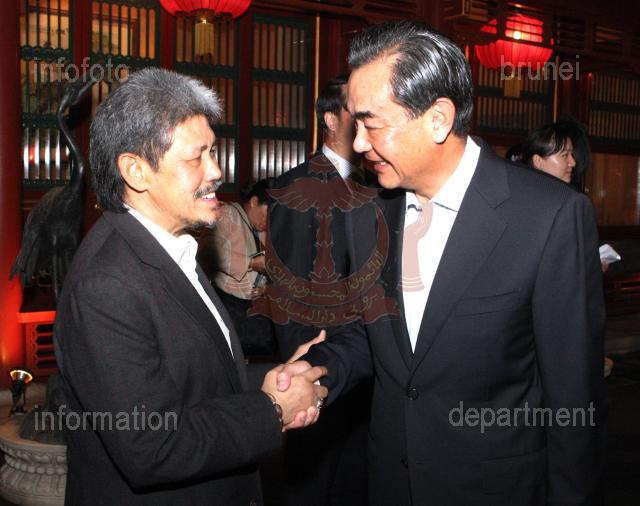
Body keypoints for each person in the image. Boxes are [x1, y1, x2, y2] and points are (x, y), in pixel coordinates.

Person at [279, 20, 606, 506]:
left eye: (371, 124)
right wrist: (316, 373)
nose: (360, 143)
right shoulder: (367, 214)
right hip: (390, 483)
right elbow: (372, 337)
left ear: (438, 119)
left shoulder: (548, 217)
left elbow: (573, 397)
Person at [53, 67, 327, 505]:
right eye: (196, 157)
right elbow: (152, 445)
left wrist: (273, 379)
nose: (216, 170)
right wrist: (272, 409)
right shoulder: (107, 284)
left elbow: (197, 376)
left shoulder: (171, 247)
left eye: (213, 152)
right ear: (136, 171)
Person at [266, 74, 372, 506]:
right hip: (319, 369)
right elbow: (287, 293)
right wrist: (306, 373)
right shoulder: (296, 188)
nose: (364, 119)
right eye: (354, 110)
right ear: (330, 118)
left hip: (366, 365)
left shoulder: (376, 183)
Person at [197, 178, 277, 356]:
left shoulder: (259, 229)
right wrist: (251, 263)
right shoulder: (226, 214)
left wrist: (265, 288)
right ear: (254, 201)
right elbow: (208, 253)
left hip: (252, 304)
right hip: (230, 305)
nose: (268, 220)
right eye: (268, 212)